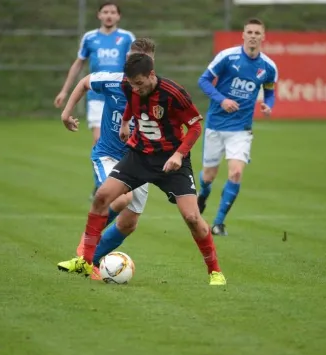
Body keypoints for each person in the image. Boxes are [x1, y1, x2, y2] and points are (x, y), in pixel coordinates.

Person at [58, 53, 227, 286]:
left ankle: (215, 272)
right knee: (102, 197)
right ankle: (86, 261)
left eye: (139, 84)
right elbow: (131, 105)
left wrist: (179, 154)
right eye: (131, 85)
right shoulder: (130, 86)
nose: (135, 89)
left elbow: (195, 127)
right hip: (139, 157)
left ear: (151, 75)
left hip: (171, 162)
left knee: (191, 217)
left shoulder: (174, 93)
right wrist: (126, 122)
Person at [58, 39, 156, 280]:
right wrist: (66, 113)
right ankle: (84, 253)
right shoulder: (112, 80)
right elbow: (84, 82)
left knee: (128, 224)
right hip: (109, 155)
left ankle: (85, 261)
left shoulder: (160, 92)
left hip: (140, 163)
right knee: (122, 197)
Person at [196, 18, 278, 236]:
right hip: (215, 124)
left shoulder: (268, 67)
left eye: (257, 33)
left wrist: (268, 106)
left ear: (263, 37)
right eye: (249, 32)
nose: (253, 36)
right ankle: (203, 194)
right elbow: (203, 81)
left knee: (236, 173)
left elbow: (270, 92)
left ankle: (218, 223)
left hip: (241, 129)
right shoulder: (227, 57)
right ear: (243, 35)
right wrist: (222, 100)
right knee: (208, 177)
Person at [54, 1, 135, 197]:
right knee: (98, 138)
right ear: (99, 15)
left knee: (123, 139)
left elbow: (134, 64)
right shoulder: (90, 38)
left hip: (120, 96)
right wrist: (65, 91)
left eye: (113, 12)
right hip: (97, 96)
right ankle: (100, 182)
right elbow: (78, 64)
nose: (109, 15)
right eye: (105, 12)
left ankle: (117, 178)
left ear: (118, 16)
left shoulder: (126, 38)